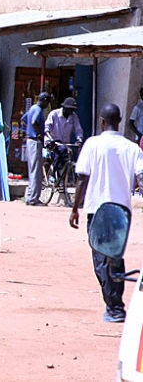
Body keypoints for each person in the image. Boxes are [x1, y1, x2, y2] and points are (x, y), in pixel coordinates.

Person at [70, 103, 143, 323]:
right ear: (119, 121)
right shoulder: (132, 148)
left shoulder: (93, 144)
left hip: (98, 209)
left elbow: (82, 177)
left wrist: (75, 209)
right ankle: (115, 305)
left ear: (102, 121)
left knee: (101, 259)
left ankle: (114, 308)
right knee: (114, 257)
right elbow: (141, 177)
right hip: (121, 211)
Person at [21, 92, 50, 206]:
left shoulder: (33, 108)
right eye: (47, 102)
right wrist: (39, 134)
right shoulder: (38, 109)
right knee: (36, 171)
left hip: (30, 140)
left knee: (32, 169)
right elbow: (34, 122)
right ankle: (33, 198)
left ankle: (30, 197)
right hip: (35, 141)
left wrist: (27, 131)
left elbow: (23, 119)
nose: (48, 105)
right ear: (44, 100)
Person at [44, 97, 84, 177]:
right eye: (70, 109)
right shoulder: (54, 114)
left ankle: (66, 176)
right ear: (64, 108)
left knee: (72, 154)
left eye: (73, 110)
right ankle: (53, 174)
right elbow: (47, 129)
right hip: (52, 141)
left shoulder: (73, 116)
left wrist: (79, 139)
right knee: (60, 152)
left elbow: (78, 130)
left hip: (64, 143)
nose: (71, 112)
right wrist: (51, 139)